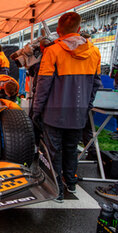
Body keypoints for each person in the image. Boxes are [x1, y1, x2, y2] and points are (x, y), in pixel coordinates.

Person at [32, 12, 101, 203]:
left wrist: (36, 111)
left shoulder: (52, 51)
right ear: (79, 29)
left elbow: (43, 85)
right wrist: (86, 106)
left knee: (53, 151)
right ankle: (70, 182)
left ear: (59, 31)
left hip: (53, 113)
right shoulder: (94, 51)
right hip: (78, 112)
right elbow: (96, 84)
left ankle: (57, 190)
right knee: (71, 149)